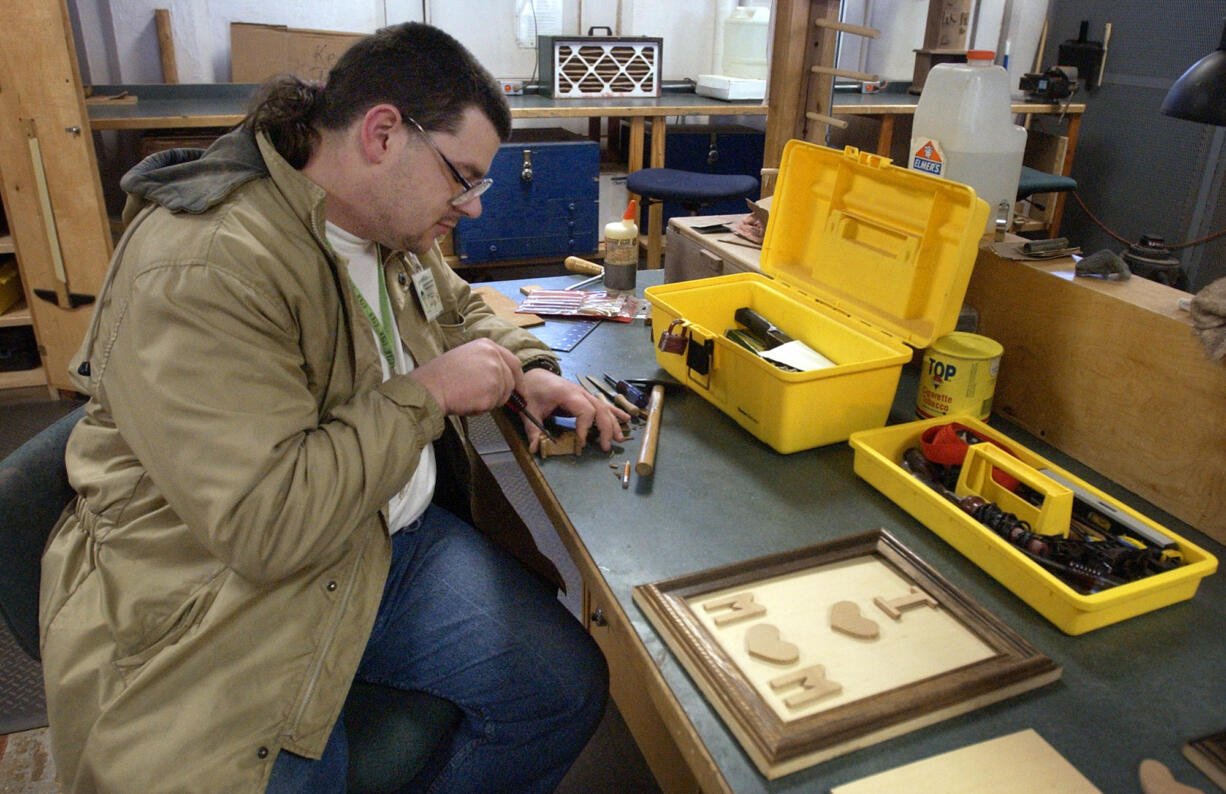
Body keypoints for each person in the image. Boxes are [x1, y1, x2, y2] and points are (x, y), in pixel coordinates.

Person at [39, 21, 627, 793]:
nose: (474, 209)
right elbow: (266, 523)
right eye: (464, 178)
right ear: (384, 133)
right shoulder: (210, 264)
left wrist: (530, 369)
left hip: (376, 539)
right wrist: (428, 394)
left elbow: (456, 308)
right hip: (220, 591)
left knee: (563, 689)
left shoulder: (380, 224)